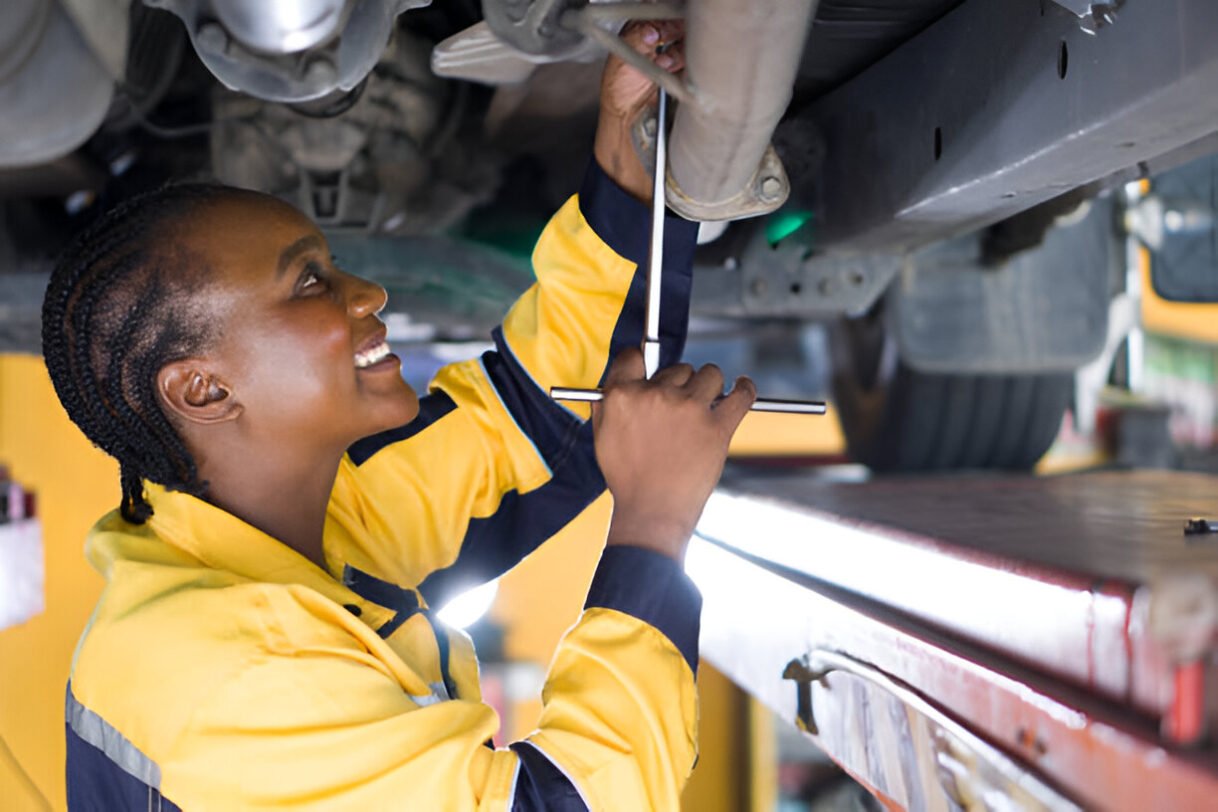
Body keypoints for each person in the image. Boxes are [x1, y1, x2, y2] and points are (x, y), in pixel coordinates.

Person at [45, 20, 755, 810]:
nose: (368, 294)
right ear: (204, 391)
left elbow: (532, 419)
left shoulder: (294, 523)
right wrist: (653, 528)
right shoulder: (245, 675)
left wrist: (628, 172)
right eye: (310, 282)